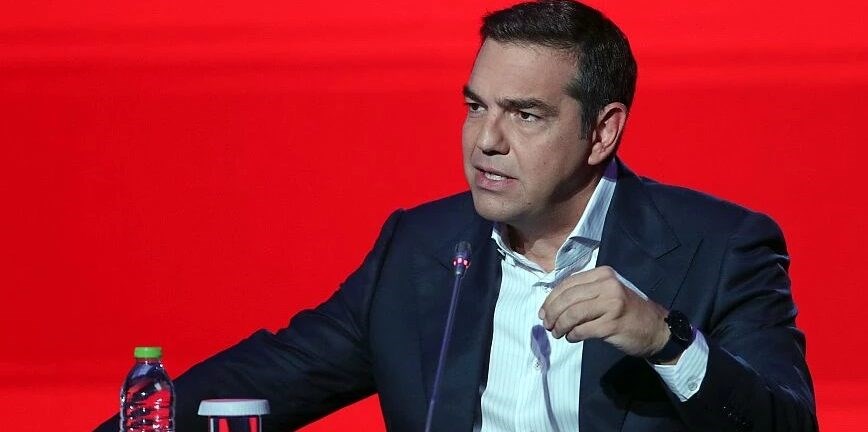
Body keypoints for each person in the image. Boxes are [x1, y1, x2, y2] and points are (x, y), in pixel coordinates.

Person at [97, 1, 817, 431]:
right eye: (476, 106)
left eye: (525, 114)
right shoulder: (420, 249)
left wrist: (665, 340)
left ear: (602, 132)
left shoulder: (719, 248)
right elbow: (267, 379)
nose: (485, 140)